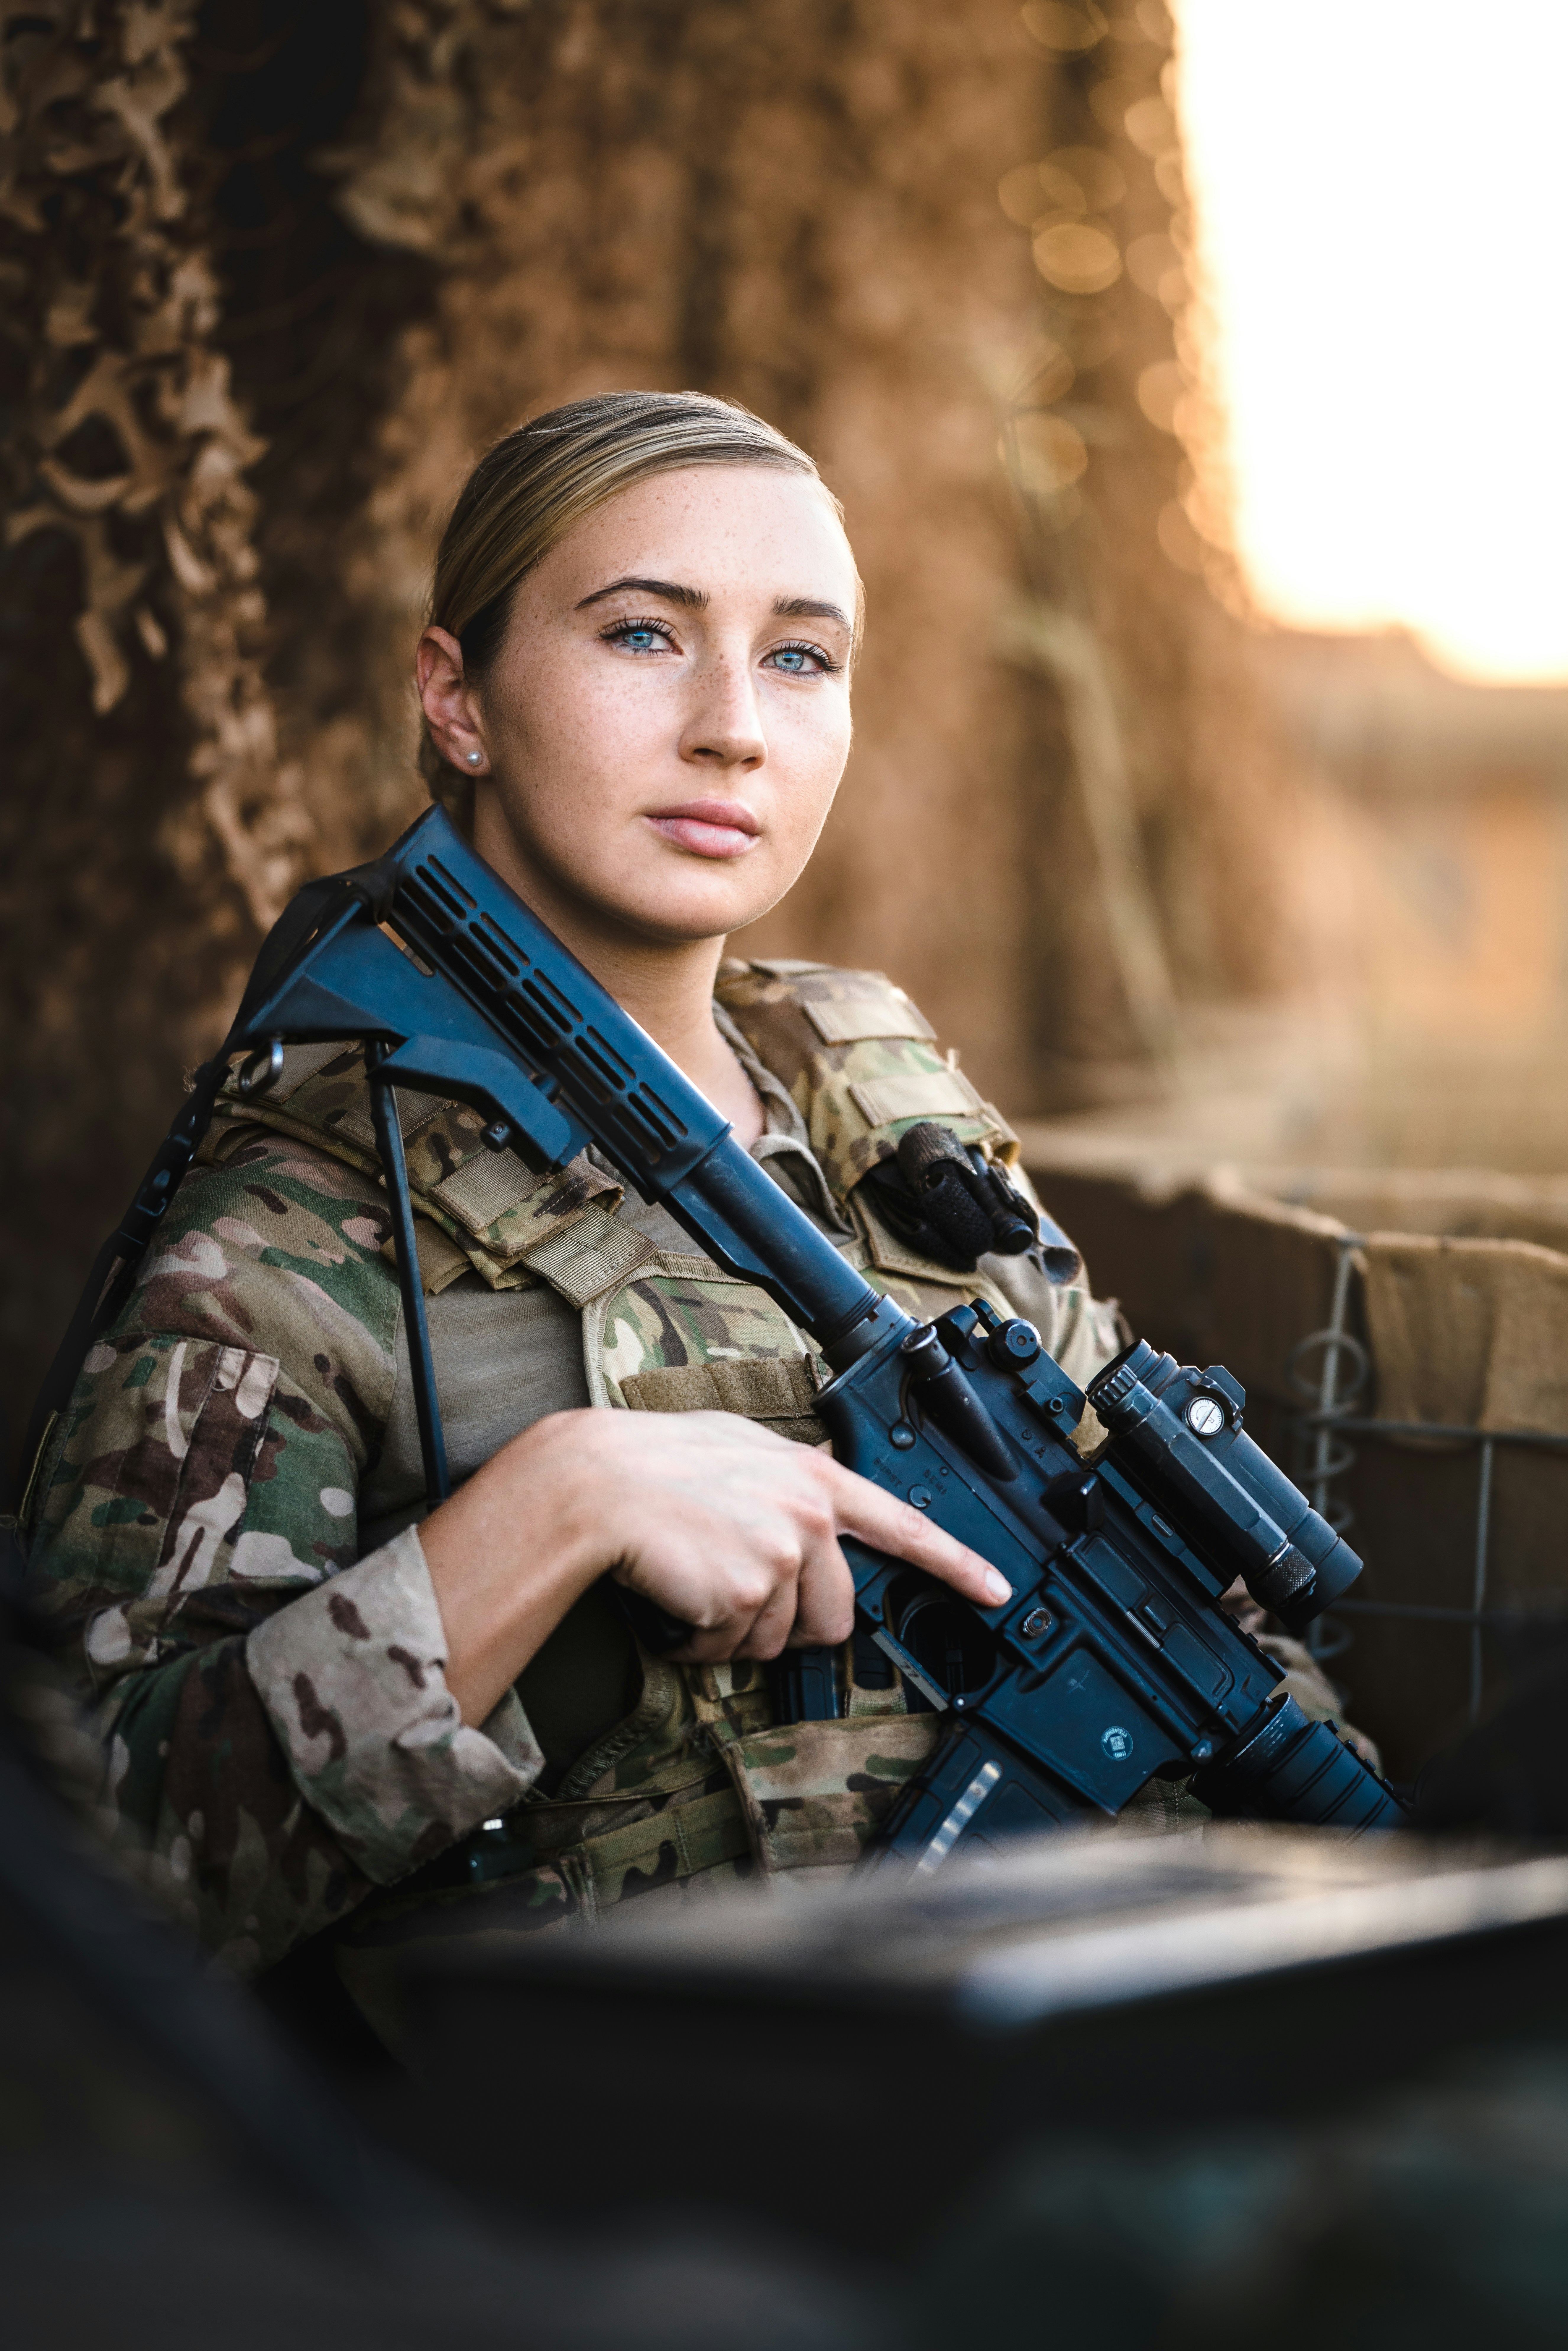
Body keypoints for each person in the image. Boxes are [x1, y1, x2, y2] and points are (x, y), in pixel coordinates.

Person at [23, 391, 1131, 2042]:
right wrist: (550, 1511)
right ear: (454, 701)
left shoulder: (900, 1119)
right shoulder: (297, 1241)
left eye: (800, 659)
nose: (731, 728)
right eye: (640, 635)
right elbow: (82, 1894)